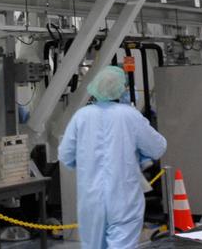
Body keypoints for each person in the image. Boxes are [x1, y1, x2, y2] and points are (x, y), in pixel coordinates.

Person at [59, 65, 167, 248]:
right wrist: (140, 156)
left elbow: (65, 155)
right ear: (121, 90)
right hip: (123, 197)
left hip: (91, 199)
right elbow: (158, 147)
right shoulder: (130, 115)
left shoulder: (82, 116)